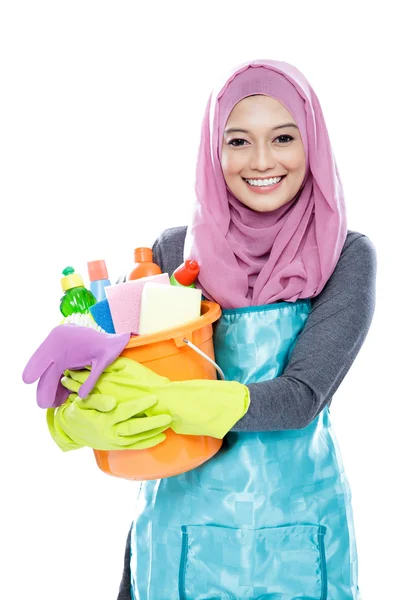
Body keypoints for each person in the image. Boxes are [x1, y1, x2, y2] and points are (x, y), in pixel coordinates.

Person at [48, 59, 377, 599]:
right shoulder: (175, 252)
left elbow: (300, 399)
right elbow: (131, 369)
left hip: (298, 536)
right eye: (239, 141)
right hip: (179, 534)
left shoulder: (345, 257)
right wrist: (76, 411)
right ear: (213, 150)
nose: (263, 161)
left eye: (284, 137)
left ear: (311, 144)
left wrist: (175, 403)